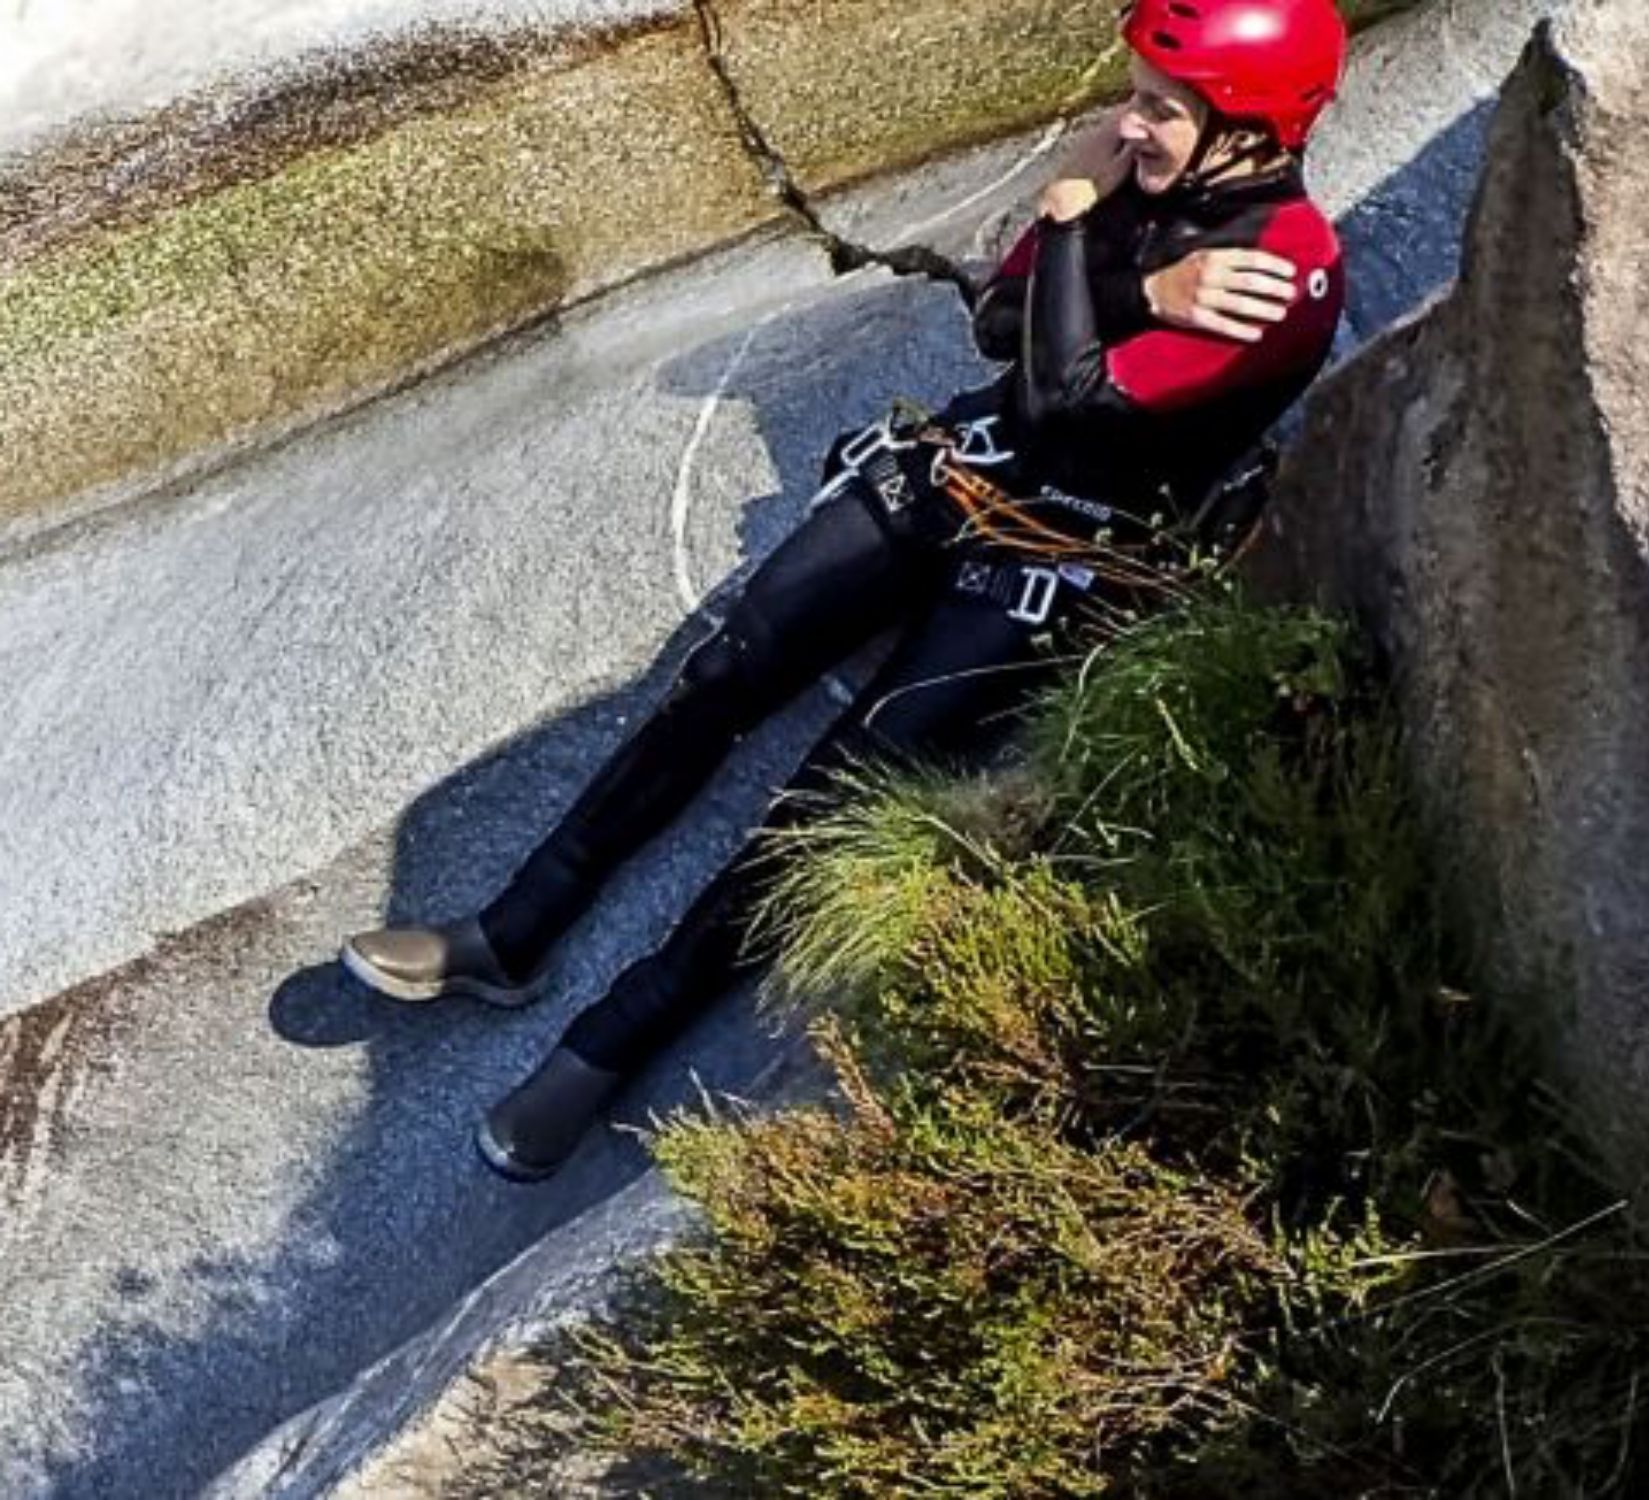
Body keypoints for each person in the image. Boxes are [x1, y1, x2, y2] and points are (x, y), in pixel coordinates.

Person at [340, 0, 1351, 1181]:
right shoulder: (1127, 187)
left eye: (1159, 109)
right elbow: (991, 327)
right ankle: (509, 932)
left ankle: (601, 1052)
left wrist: (1079, 236)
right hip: (954, 473)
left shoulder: (1283, 271)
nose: (1124, 126)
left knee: (817, 806)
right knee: (722, 675)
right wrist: (1126, 278)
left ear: (1252, 128)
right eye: (1133, 96)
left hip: (1056, 555)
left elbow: (1064, 398)